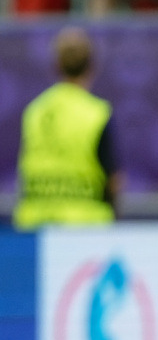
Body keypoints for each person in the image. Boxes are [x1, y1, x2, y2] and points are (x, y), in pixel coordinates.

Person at [13, 27, 123, 229]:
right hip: (85, 226)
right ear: (92, 67)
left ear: (56, 66)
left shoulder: (35, 110)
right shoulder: (98, 113)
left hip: (35, 225)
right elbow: (114, 180)